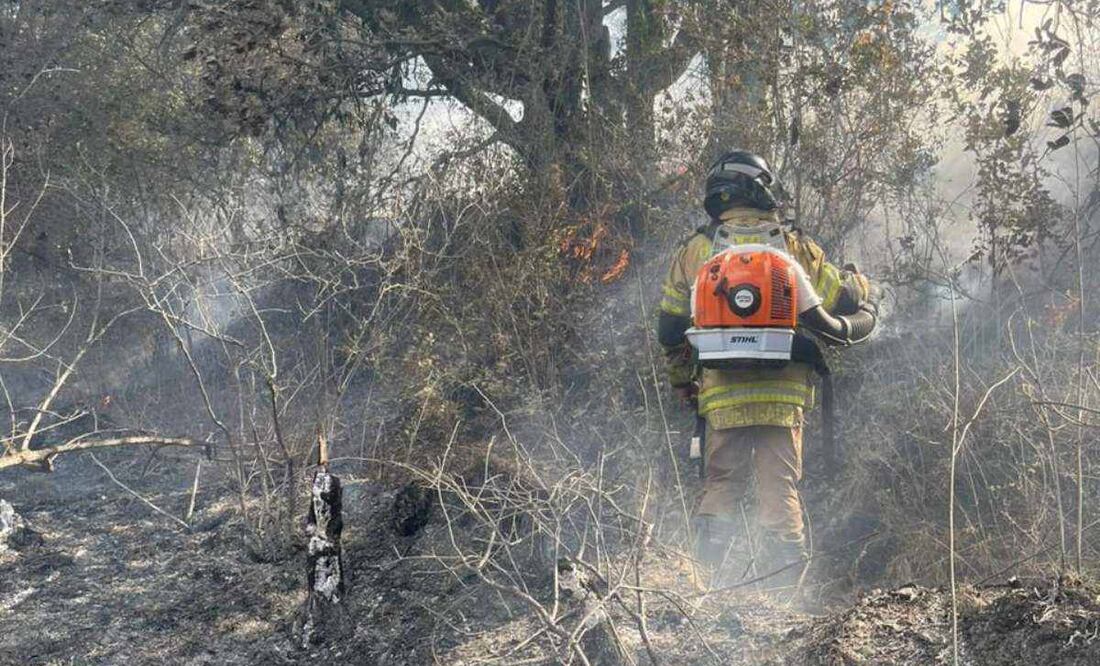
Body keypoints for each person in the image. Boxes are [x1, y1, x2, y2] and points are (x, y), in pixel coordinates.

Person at [656, 150, 874, 587]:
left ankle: (706, 586)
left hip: (722, 393)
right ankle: (785, 594)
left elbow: (670, 327)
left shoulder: (697, 249)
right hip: (782, 391)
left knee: (721, 483)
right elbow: (841, 298)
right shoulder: (792, 247)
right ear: (763, 188)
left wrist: (684, 383)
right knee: (779, 488)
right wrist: (863, 285)